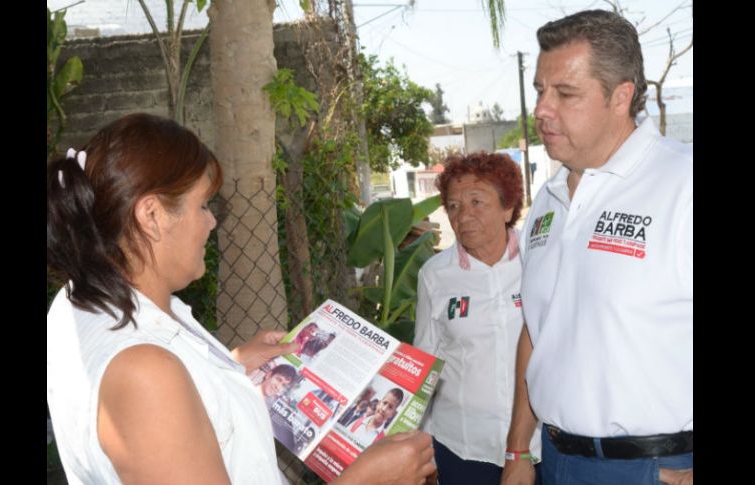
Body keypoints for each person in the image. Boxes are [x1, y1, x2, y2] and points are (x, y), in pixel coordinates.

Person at [46, 113, 437, 485]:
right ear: (151, 215)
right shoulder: (144, 373)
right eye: (202, 205)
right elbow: (147, 389)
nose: (212, 221)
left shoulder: (78, 301)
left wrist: (227, 368)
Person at [501, 10, 692, 485]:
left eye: (565, 94)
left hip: (656, 468)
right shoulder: (547, 201)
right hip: (555, 459)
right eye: (540, 91)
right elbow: (536, 330)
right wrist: (517, 451)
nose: (543, 109)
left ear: (621, 96)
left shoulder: (682, 184)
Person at [414, 152, 542, 485]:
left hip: (539, 446)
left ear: (508, 209)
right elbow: (426, 362)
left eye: (477, 202)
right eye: (454, 206)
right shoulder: (436, 274)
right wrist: (423, 450)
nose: (464, 215)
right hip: (462, 447)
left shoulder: (538, 261)